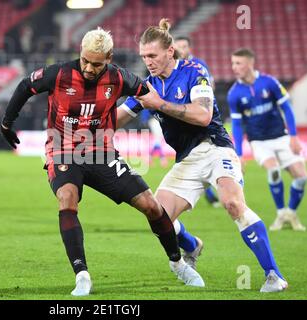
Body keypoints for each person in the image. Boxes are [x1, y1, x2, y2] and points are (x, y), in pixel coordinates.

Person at [0, 27, 204, 296]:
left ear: (108, 58)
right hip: (63, 151)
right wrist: (6, 123)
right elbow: (26, 85)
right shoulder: (59, 73)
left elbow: (151, 95)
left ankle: (178, 263)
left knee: (151, 206)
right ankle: (82, 275)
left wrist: (178, 116)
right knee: (67, 199)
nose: (88, 67)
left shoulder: (120, 78)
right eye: (85, 60)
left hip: (102, 154)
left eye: (96, 63)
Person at [117, 19, 288, 292]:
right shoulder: (146, 86)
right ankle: (192, 246)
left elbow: (203, 114)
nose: (147, 62)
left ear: (169, 51)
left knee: (232, 203)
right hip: (187, 158)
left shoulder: (194, 71)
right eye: (143, 56)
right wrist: (84, 120)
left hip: (215, 146)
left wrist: (159, 104)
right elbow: (117, 119)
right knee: (158, 216)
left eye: (152, 55)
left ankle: (274, 275)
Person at [228, 48, 307, 231]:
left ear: (250, 63)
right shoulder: (235, 93)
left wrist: (294, 136)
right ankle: (281, 214)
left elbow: (286, 109)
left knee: (302, 177)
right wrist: (239, 154)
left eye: (238, 63)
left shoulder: (269, 82)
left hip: (281, 136)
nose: (234, 67)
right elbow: (238, 125)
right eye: (233, 63)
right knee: (274, 171)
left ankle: (291, 213)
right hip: (259, 141)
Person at [174, 35, 220, 207]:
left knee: (210, 151)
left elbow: (211, 86)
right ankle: (203, 193)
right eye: (178, 46)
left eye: (184, 46)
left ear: (189, 48)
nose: (181, 50)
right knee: (188, 154)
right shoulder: (173, 67)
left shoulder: (199, 65)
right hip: (182, 118)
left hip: (201, 113)